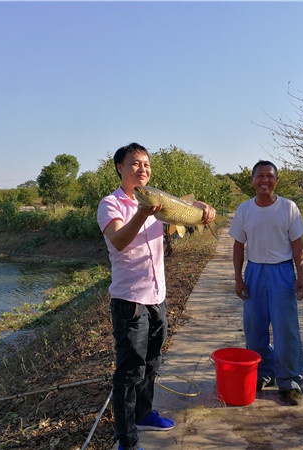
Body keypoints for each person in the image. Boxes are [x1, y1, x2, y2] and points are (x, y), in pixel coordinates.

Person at [97, 142, 216, 450]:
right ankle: (125, 437)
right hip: (130, 302)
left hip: (157, 298)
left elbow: (185, 205)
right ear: (120, 168)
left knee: (151, 362)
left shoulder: (157, 199)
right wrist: (142, 213)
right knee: (129, 369)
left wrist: (203, 208)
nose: (142, 169)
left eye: (147, 164)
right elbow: (120, 241)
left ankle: (144, 412)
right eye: (135, 163)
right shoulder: (111, 204)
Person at [228, 160, 303, 406]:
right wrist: (239, 277)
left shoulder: (288, 208)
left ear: (276, 180)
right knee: (255, 328)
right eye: (260, 176)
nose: (265, 180)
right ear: (252, 180)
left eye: (270, 176)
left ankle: (290, 381)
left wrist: (300, 277)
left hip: (282, 272)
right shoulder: (244, 210)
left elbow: (297, 245)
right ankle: (262, 374)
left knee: (286, 329)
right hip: (255, 272)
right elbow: (238, 245)